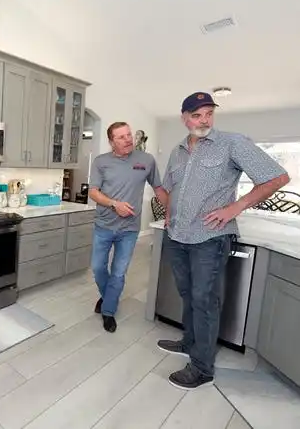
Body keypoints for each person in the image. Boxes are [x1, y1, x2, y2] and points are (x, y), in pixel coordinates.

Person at [157, 92, 290, 390]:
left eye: (208, 113)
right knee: (188, 294)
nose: (203, 120)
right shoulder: (178, 151)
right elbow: (168, 188)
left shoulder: (232, 143)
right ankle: (190, 342)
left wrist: (235, 207)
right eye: (196, 115)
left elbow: (276, 177)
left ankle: (202, 368)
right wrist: (169, 213)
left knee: (204, 300)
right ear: (184, 118)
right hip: (178, 235)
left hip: (209, 237)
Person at [88, 121, 168, 333]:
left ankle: (108, 311)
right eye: (121, 137)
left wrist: (171, 211)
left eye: (129, 135)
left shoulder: (146, 160)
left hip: (130, 229)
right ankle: (108, 298)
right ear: (111, 142)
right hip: (103, 225)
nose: (128, 140)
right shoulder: (101, 162)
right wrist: (114, 204)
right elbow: (93, 192)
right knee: (97, 268)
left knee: (119, 272)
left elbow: (158, 188)